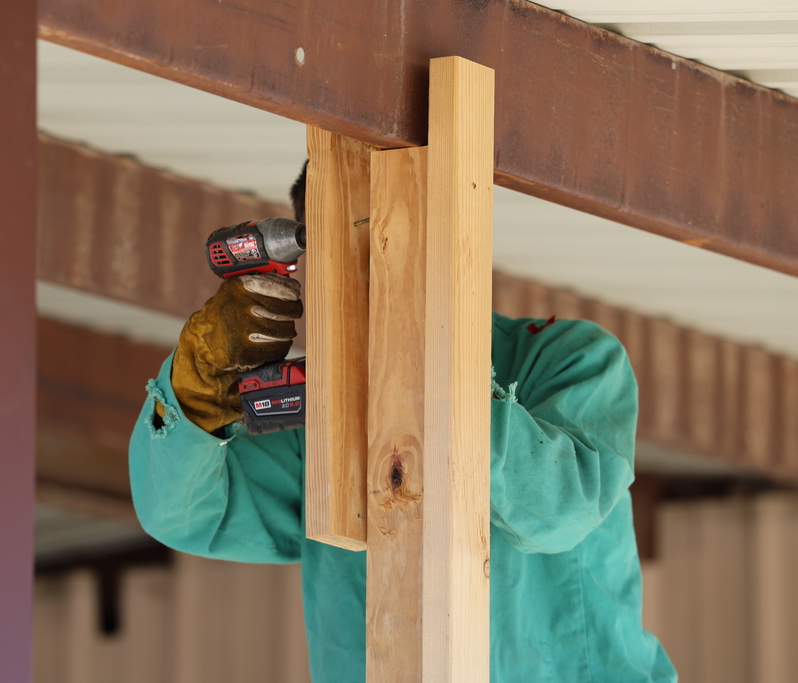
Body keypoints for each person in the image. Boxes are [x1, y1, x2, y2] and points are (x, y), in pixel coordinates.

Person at [128, 164, 677, 682]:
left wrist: (429, 362)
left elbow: (557, 511)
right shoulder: (320, 416)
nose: (376, 272)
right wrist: (197, 391)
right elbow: (184, 514)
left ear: (454, 241)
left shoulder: (568, 361)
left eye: (395, 243)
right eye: (349, 253)